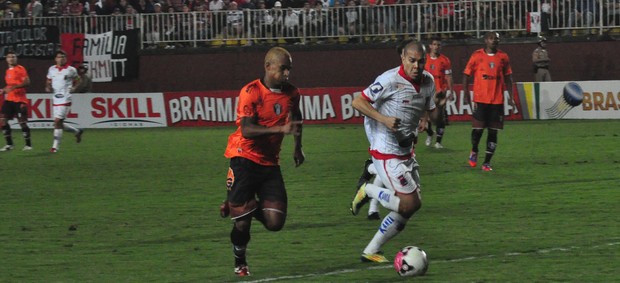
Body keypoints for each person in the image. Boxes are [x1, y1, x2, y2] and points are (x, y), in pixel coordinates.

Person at [220, 47, 304, 276]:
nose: (287, 73)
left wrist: (298, 148)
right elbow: (246, 130)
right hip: (243, 158)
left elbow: (296, 118)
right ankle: (240, 262)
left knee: (275, 222)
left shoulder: (292, 93)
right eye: (282, 68)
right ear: (268, 67)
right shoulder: (251, 91)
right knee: (242, 224)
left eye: (289, 69)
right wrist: (279, 128)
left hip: (269, 163)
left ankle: (239, 205)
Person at [350, 39, 435, 263]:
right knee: (410, 203)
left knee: (409, 208)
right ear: (402, 59)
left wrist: (425, 118)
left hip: (406, 148)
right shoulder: (388, 80)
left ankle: (371, 250)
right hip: (385, 149)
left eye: (421, 61)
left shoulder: (429, 81)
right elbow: (358, 102)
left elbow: (427, 104)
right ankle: (369, 190)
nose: (416, 66)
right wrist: (384, 119)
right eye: (412, 61)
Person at [462, 31, 515, 171]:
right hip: (480, 100)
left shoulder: (503, 57)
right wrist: (466, 92)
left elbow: (509, 78)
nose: (494, 41)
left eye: (496, 39)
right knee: (478, 130)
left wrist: (511, 97)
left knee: (493, 132)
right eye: (491, 38)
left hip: (497, 101)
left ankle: (486, 163)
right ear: (485, 40)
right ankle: (474, 150)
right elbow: (466, 75)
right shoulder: (477, 55)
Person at [45, 50, 84, 153]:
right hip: (55, 98)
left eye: (63, 57)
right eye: (59, 57)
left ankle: (55, 147)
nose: (61, 59)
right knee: (58, 123)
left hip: (66, 97)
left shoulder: (71, 70)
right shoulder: (52, 69)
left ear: (66, 58)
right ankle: (77, 131)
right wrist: (48, 87)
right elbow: (48, 80)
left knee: (57, 121)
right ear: (55, 59)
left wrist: (74, 88)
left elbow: (79, 80)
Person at [423, 36, 454, 149]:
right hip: (427, 92)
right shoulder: (424, 59)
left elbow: (448, 76)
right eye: (434, 44)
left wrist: (451, 90)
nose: (436, 47)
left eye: (438, 45)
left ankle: (438, 142)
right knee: (427, 117)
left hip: (440, 91)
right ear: (430, 46)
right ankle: (430, 133)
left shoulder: (445, 60)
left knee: (440, 116)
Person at [0, 50, 32, 151]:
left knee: (22, 122)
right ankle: (9, 144)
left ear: (16, 58)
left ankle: (28, 145)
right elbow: (10, 86)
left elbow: (27, 82)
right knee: (2, 120)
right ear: (6, 59)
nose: (11, 58)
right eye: (9, 57)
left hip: (20, 100)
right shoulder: (8, 71)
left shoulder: (20, 69)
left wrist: (14, 87)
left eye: (13, 56)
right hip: (9, 99)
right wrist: (4, 90)